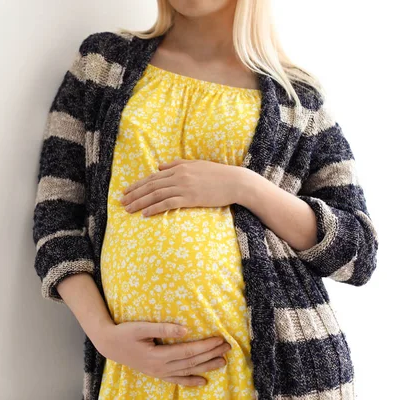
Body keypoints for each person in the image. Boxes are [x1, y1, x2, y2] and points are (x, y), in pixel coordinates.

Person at [31, 1, 379, 399]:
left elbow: (358, 253)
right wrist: (105, 337)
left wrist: (244, 186)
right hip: (137, 372)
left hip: (269, 374)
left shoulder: (297, 100)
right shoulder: (103, 64)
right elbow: (56, 217)